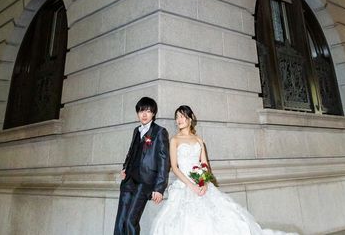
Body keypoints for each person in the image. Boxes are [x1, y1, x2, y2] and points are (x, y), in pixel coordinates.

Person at [150, 105, 297, 235]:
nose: (179, 120)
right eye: (177, 117)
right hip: (184, 185)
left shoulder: (198, 140)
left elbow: (205, 165)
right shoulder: (174, 140)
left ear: (190, 119)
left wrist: (203, 183)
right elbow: (175, 167)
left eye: (182, 116)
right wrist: (191, 185)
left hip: (201, 183)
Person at [114, 97, 170, 235]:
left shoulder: (159, 132)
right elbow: (131, 151)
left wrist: (159, 188)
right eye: (141, 111)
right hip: (128, 180)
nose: (144, 115)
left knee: (130, 221)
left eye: (148, 111)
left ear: (153, 113)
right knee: (120, 221)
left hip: (144, 182)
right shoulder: (136, 130)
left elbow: (164, 161)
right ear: (137, 113)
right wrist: (125, 167)